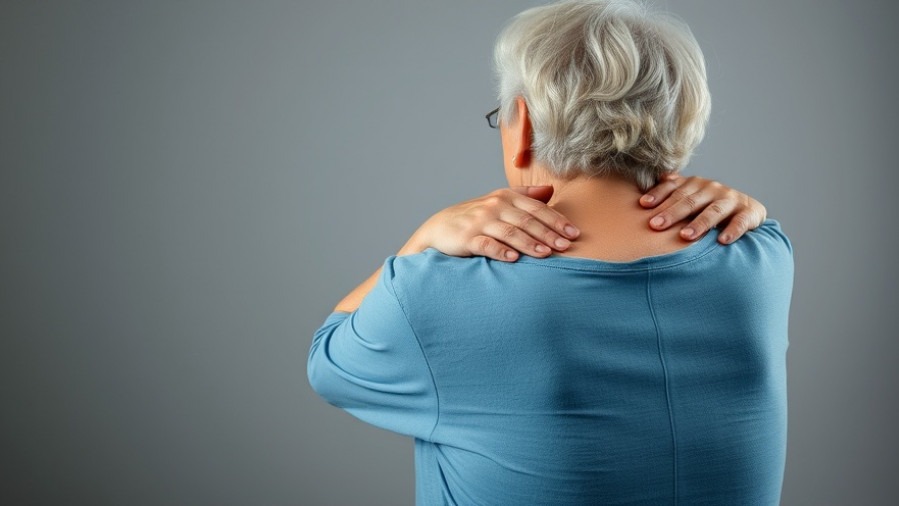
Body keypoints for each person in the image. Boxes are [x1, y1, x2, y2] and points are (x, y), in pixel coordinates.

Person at [308, 0, 793, 504]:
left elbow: (328, 360)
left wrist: (422, 239)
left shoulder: (437, 289)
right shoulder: (763, 256)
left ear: (522, 125)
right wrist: (752, 212)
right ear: (683, 120)